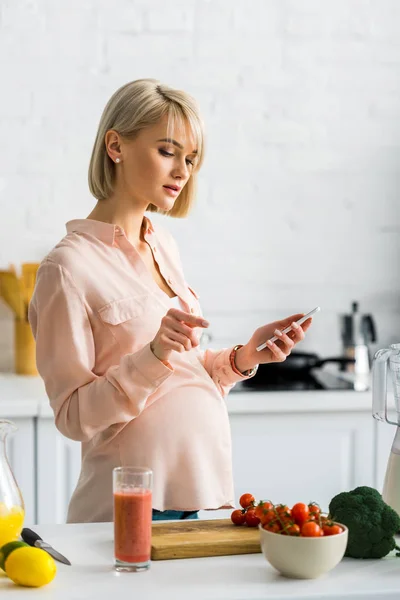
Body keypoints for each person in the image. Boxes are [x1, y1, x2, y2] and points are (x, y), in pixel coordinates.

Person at [28, 79, 313, 523]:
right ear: (116, 145)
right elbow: (72, 416)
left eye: (191, 159)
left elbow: (182, 369)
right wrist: (154, 353)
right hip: (131, 505)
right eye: (167, 151)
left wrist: (241, 358)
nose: (182, 171)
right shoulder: (66, 269)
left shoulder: (163, 245)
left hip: (197, 496)